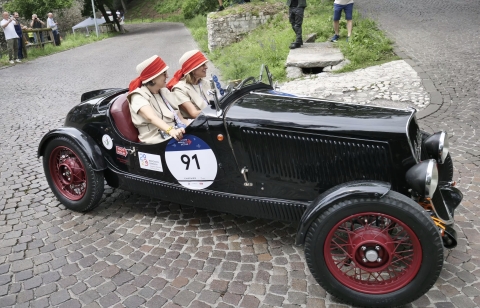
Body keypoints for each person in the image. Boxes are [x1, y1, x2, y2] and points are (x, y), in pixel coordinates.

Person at [128, 55, 189, 144]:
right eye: (164, 73)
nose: (167, 76)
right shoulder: (137, 96)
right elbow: (151, 117)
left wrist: (194, 127)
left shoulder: (164, 91)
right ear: (152, 79)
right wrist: (171, 130)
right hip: (156, 139)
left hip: (174, 133)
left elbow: (180, 119)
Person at [167, 50, 211, 119]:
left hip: (212, 119)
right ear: (193, 69)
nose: (206, 67)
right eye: (202, 65)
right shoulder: (179, 89)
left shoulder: (206, 82)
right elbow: (194, 114)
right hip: (196, 124)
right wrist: (215, 110)